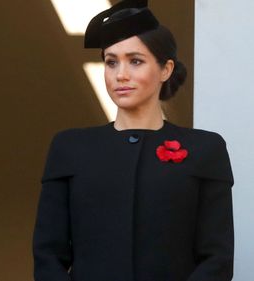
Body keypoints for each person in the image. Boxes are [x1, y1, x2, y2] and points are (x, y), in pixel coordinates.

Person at [33, 1, 234, 280]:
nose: (121, 74)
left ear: (166, 69)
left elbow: (217, 258)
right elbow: (47, 256)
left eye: (135, 61)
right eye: (111, 62)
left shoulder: (205, 149)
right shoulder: (70, 148)